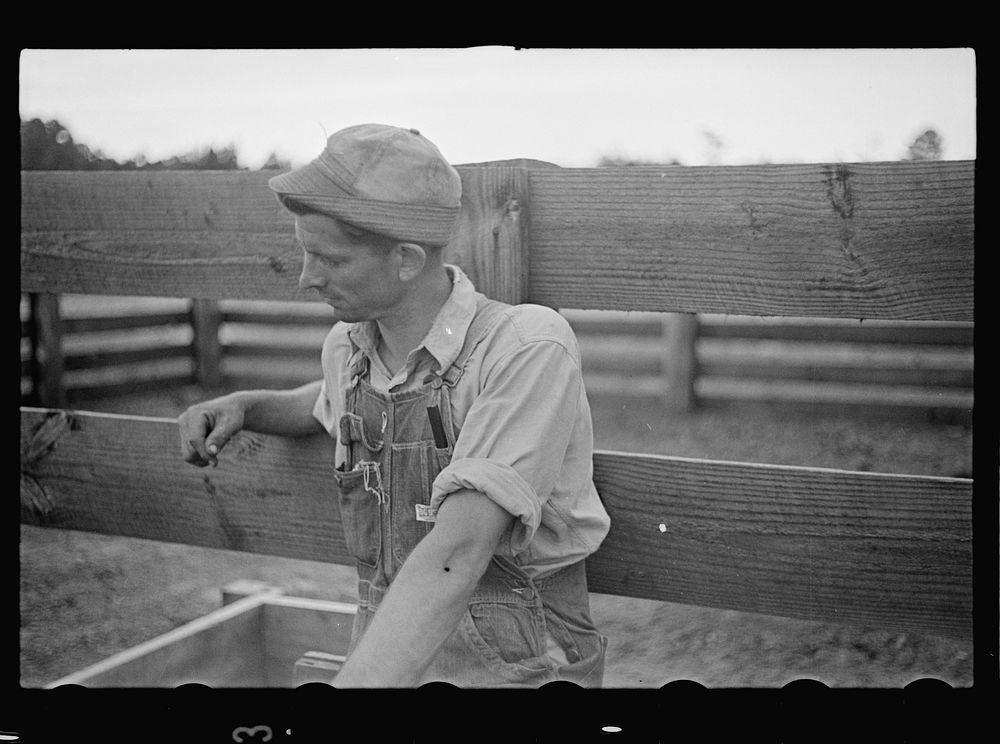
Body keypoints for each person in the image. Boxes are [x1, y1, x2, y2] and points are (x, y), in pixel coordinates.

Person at [178, 123, 611, 687]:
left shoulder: (527, 348)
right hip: (394, 645)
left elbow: (459, 551)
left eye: (329, 260)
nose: (308, 278)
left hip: (519, 664)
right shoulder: (351, 346)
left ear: (406, 259)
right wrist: (249, 407)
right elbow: (338, 404)